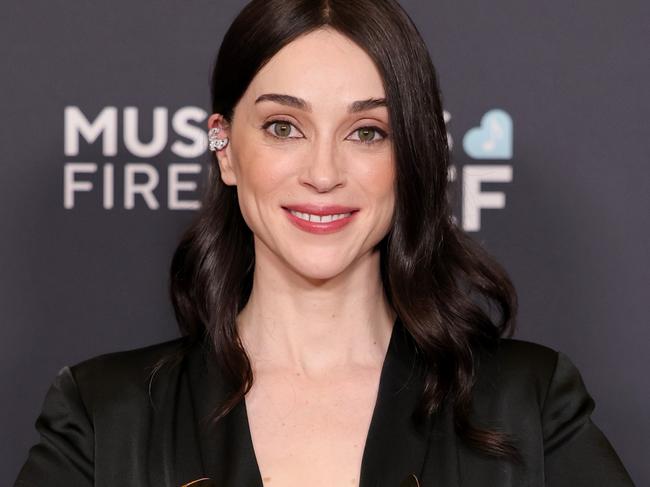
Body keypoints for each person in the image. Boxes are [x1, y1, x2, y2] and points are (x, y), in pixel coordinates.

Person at [15, 0, 635, 486]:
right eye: (284, 127)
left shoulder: (525, 402)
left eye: (367, 132)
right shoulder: (105, 419)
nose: (322, 172)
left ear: (412, 156)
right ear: (225, 148)